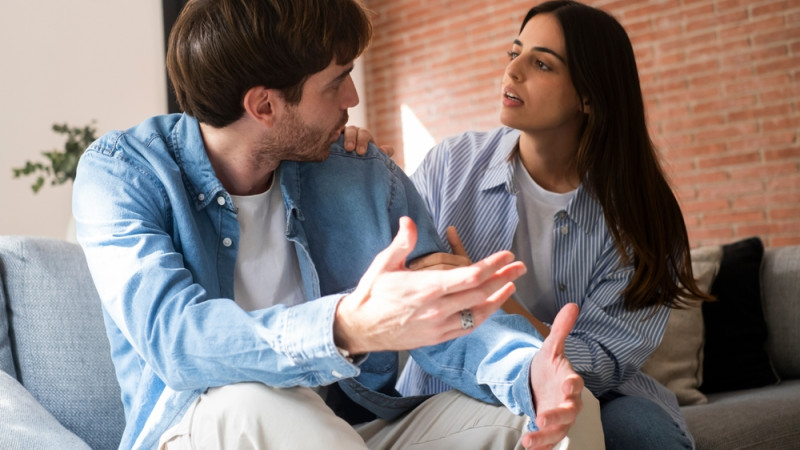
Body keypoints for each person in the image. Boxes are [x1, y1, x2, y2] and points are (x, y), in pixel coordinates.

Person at [72, 0, 594, 449]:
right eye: (337, 81)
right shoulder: (123, 172)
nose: (353, 99)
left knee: (569, 413)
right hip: (202, 424)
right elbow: (177, 339)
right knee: (263, 404)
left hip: (349, 427)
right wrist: (346, 326)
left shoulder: (359, 171)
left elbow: (442, 323)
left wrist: (527, 369)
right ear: (264, 105)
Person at [396, 1, 713, 449]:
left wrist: (494, 303)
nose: (513, 71)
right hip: (451, 385)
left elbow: (600, 362)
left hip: (594, 392)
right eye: (514, 52)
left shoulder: (641, 214)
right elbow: (391, 280)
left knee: (645, 435)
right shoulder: (451, 165)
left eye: (541, 63)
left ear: (589, 95)